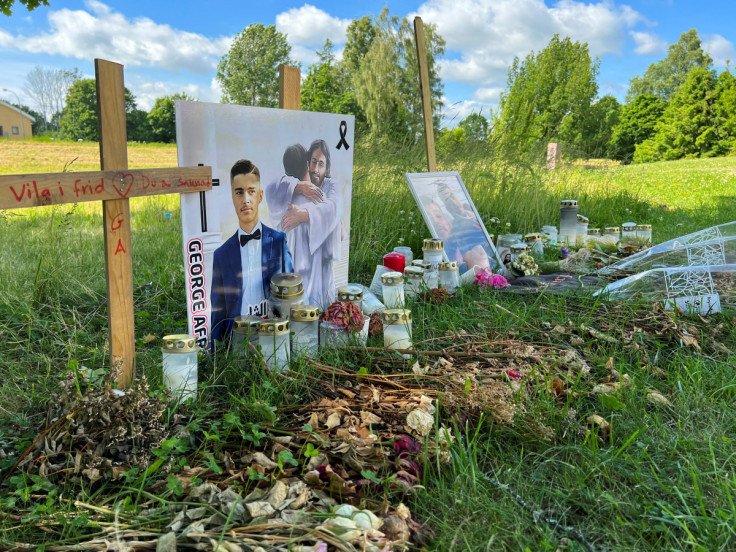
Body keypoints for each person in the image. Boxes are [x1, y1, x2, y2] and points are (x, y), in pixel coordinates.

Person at [210, 159, 293, 348]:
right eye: (239, 192)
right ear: (232, 197)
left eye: (251, 191)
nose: (246, 199)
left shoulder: (279, 242)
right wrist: (214, 358)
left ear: (260, 195)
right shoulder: (221, 255)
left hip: (274, 336)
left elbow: (289, 297)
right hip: (238, 339)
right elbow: (218, 312)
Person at [265, 139, 343, 307]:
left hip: (290, 282)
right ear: (307, 164)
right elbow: (339, 233)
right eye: (314, 162)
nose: (315, 168)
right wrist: (299, 186)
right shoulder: (316, 200)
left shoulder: (282, 201)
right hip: (315, 278)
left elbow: (270, 188)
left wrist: (304, 215)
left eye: (320, 163)